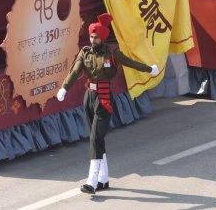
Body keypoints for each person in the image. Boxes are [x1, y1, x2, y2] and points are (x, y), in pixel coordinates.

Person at [56, 14, 158, 196]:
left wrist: (150, 69)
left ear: (102, 37)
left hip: (104, 97)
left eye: (96, 37)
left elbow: (131, 63)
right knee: (95, 137)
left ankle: (92, 181)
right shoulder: (85, 52)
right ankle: (103, 178)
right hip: (89, 96)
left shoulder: (112, 53)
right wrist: (65, 88)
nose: (92, 39)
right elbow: (74, 71)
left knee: (96, 136)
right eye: (91, 36)